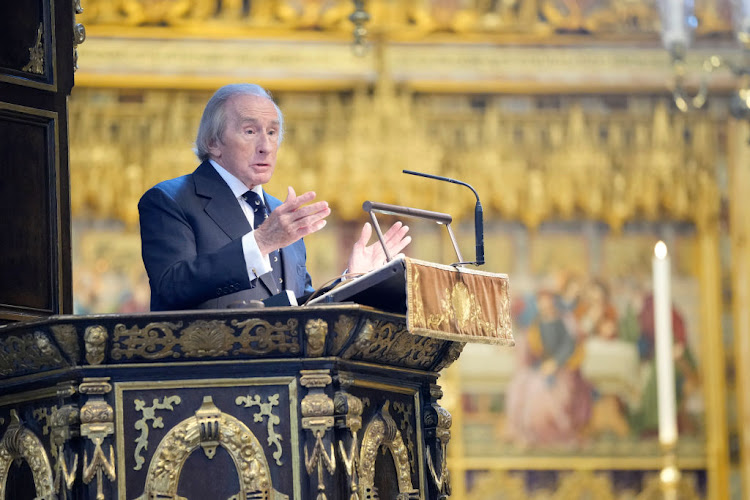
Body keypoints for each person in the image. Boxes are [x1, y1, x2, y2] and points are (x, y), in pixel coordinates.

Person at [138, 83, 411, 311]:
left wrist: (352, 282)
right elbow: (171, 287)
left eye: (272, 132)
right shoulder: (169, 200)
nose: (266, 147)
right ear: (213, 142)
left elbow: (299, 308)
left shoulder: (280, 213)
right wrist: (261, 243)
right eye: (250, 131)